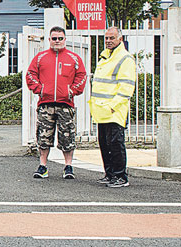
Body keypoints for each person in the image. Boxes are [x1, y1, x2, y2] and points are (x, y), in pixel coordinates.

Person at [26, 26, 87, 179]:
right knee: (43, 137)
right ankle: (43, 166)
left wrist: (71, 91)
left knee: (67, 137)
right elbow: (30, 74)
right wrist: (40, 89)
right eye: (54, 38)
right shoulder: (40, 58)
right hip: (45, 104)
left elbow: (82, 76)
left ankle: (68, 166)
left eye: (60, 38)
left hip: (66, 105)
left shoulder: (74, 58)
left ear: (65, 39)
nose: (57, 41)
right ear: (49, 40)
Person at [89, 26, 135, 187]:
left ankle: (120, 176)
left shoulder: (125, 59)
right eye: (106, 38)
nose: (108, 41)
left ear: (120, 39)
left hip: (115, 110)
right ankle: (109, 174)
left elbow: (127, 87)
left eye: (112, 38)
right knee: (104, 143)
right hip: (102, 110)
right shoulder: (105, 57)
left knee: (115, 144)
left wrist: (113, 106)